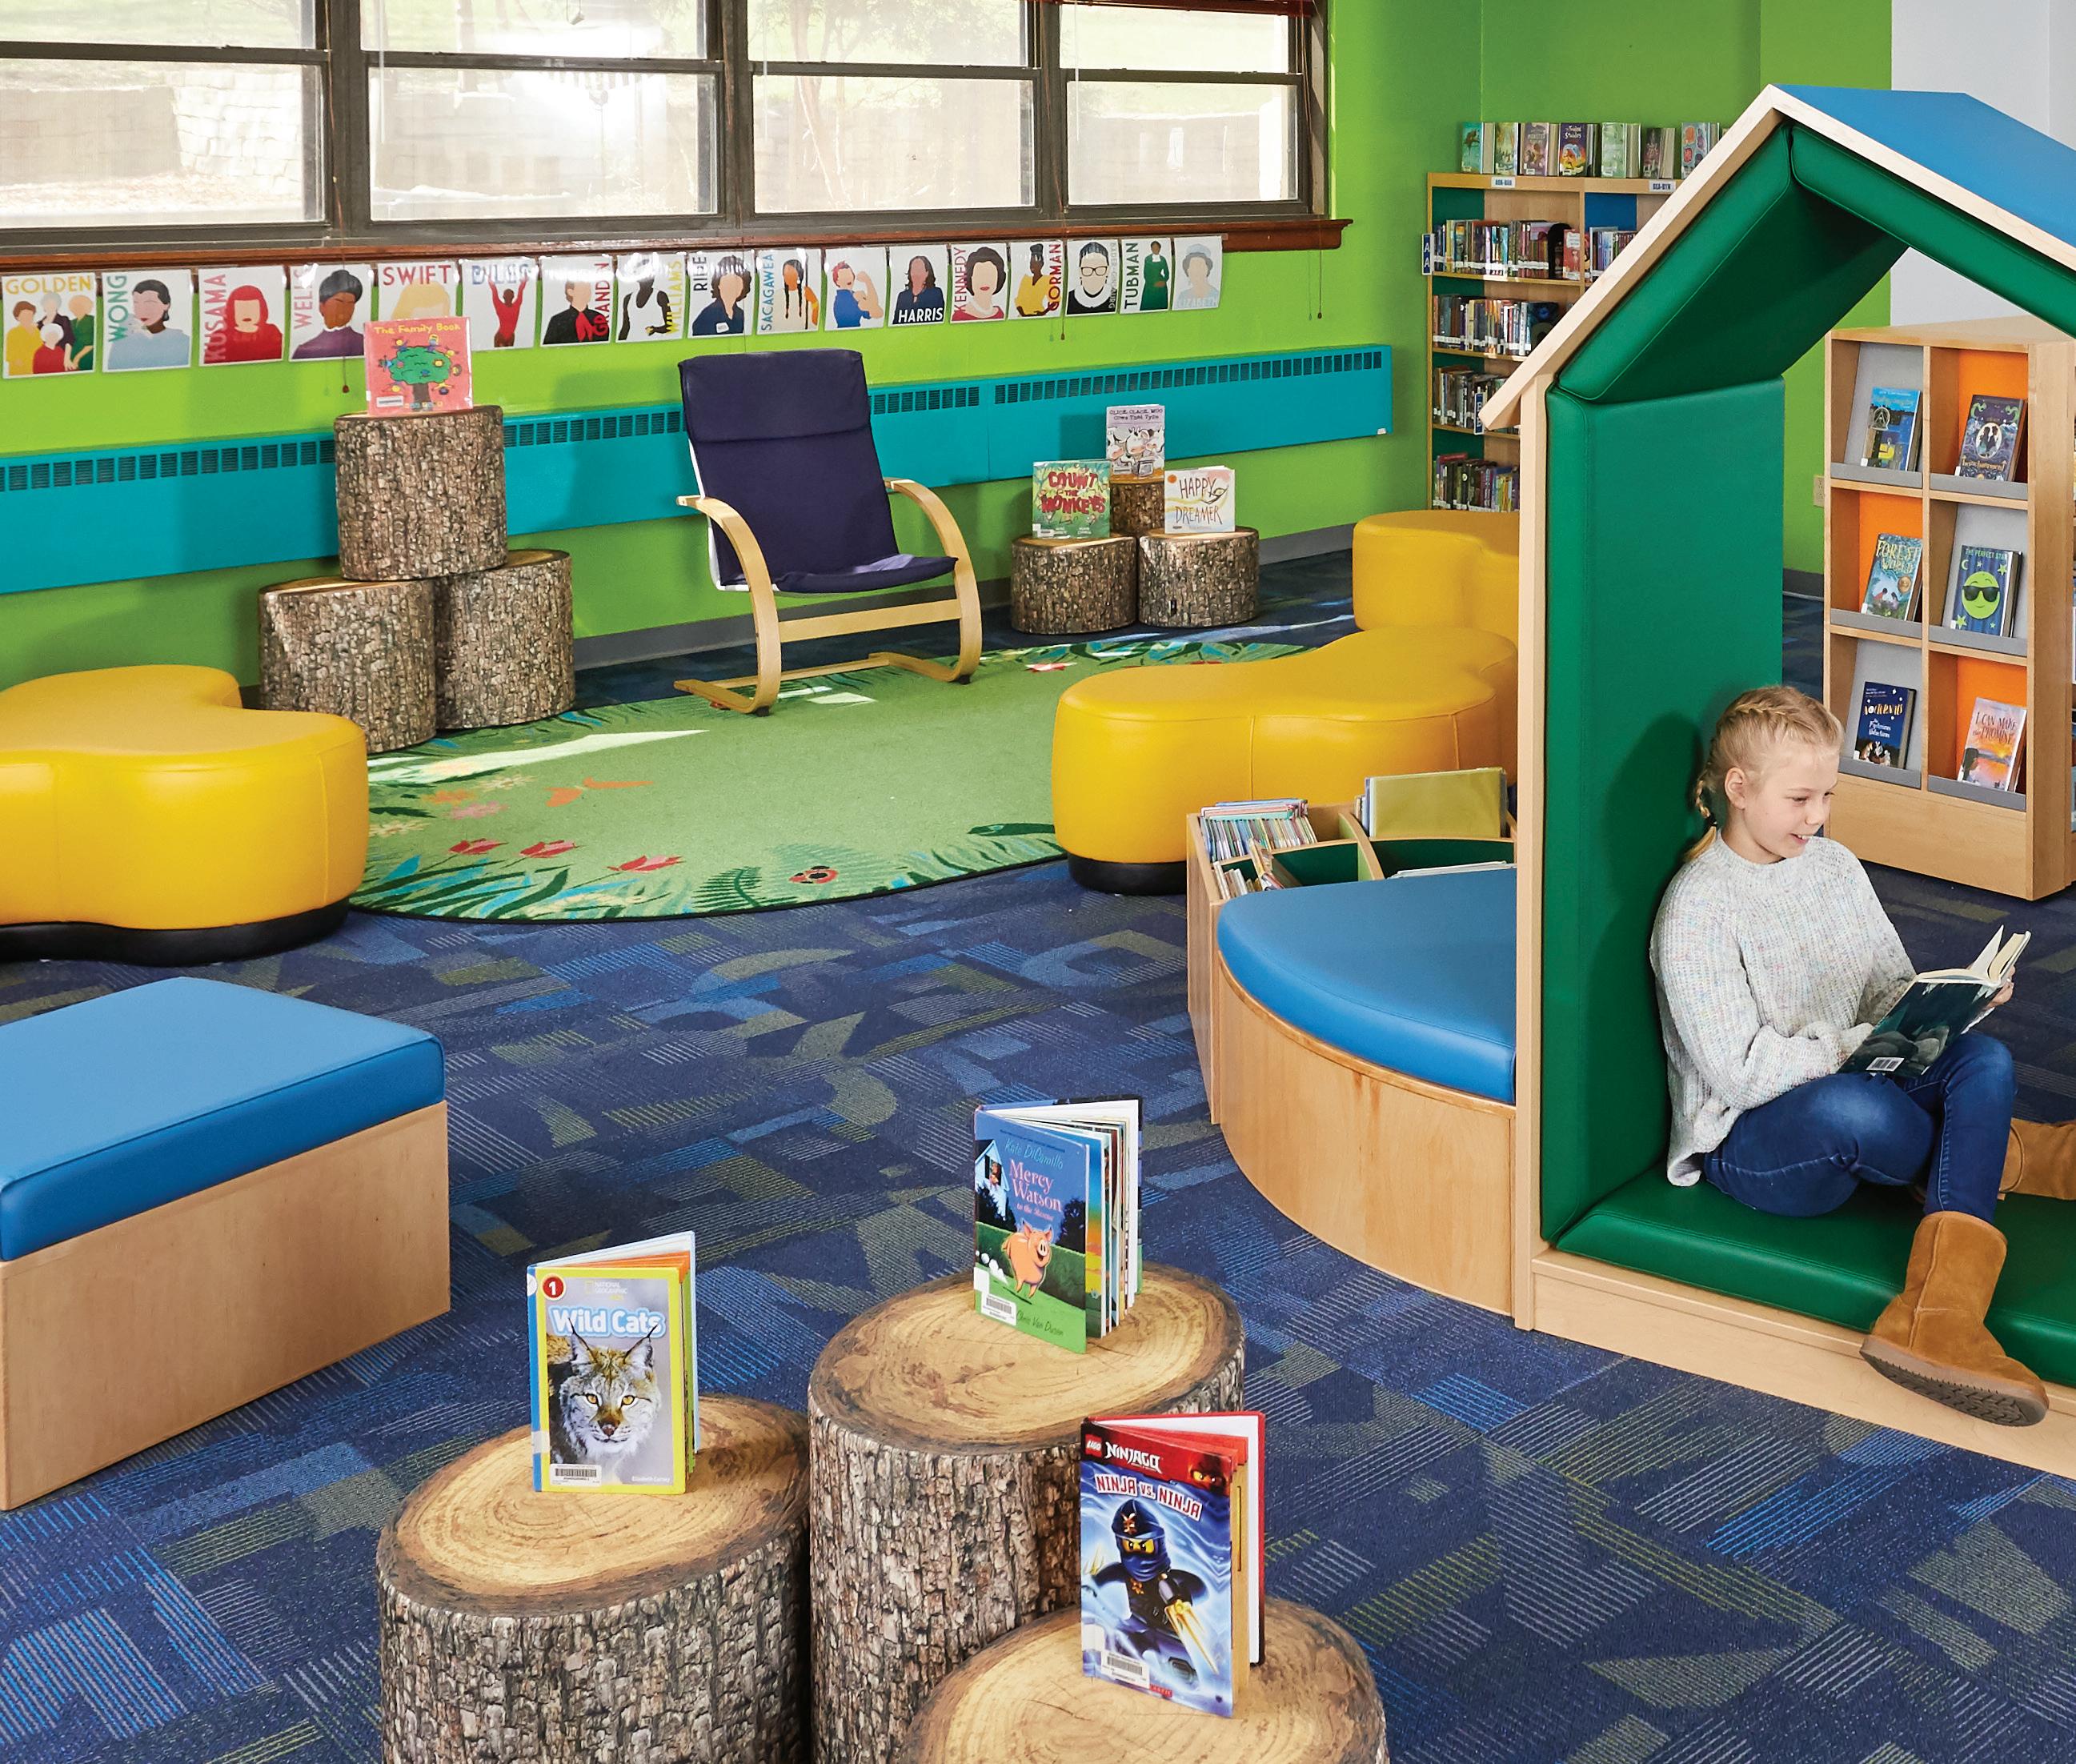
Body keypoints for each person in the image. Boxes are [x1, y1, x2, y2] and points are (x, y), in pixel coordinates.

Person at [1651, 685, 2076, 1429]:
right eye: (1799, 799)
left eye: (1828, 796)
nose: (1817, 816)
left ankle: (1938, 1317)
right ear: (1738, 790)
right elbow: (1740, 1073)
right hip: (1752, 1138)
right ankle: (2003, 1155)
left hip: (1864, 1072)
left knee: (1986, 1059)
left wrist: (1955, 1002)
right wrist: (1855, 1044)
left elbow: (1888, 985)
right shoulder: (1698, 907)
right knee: (1861, 1111)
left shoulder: (1834, 865)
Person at [110, 277, 191, 368]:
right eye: (136, 303)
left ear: (166, 305)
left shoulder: (182, 340)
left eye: (149, 303)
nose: (142, 310)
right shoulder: (124, 339)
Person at [291, 267, 365, 359]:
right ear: (322, 306)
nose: (345, 309)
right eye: (339, 303)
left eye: (350, 304)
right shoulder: (305, 350)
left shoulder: (364, 343)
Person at [209, 282, 283, 363]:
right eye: (241, 309)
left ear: (261, 310)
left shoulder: (271, 332)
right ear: (232, 311)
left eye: (252, 308)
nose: (247, 313)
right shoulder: (220, 336)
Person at [691, 256, 750, 335]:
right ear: (718, 285)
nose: (732, 289)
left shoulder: (740, 314)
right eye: (728, 283)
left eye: (737, 284)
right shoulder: (708, 315)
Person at [543, 279, 608, 345]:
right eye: (583, 290)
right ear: (570, 292)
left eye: (589, 289)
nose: (587, 293)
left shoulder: (598, 317)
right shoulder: (557, 320)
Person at [954, 247, 1006, 322]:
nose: (984, 281)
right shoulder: (959, 316)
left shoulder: (1001, 313)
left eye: (990, 275)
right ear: (970, 278)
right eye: (979, 275)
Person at [827, 259, 882, 329]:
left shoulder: (854, 296)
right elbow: (876, 312)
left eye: (850, 274)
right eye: (843, 275)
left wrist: (868, 282)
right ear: (837, 281)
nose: (848, 278)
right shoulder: (846, 299)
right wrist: (868, 282)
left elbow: (877, 312)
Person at [892, 254, 944, 325]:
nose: (916, 274)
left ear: (927, 273)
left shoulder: (935, 294)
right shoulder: (903, 296)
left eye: (919, 270)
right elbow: (896, 322)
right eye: (914, 269)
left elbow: (938, 319)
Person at [1067, 241, 1116, 316]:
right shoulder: (1069, 299)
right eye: (1087, 269)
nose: (1094, 275)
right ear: (1080, 271)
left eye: (1100, 269)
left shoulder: (1115, 297)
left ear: (1107, 271)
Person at [774, 255, 819, 330]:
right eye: (785, 274)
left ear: (799, 276)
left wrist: (814, 302)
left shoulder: (807, 292)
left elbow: (815, 321)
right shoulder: (778, 295)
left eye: (791, 273)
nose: (787, 276)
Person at [1014, 244, 1057, 318]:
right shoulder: (1026, 279)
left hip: (1040, 316)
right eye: (1031, 263)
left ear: (1042, 264)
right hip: (1022, 317)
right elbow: (1019, 300)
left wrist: (1043, 312)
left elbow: (1055, 301)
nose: (1032, 266)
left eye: (1035, 263)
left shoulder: (1047, 280)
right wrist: (1023, 314)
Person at [1172, 247, 1219, 311]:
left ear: (1207, 269)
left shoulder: (1216, 295)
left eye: (1200, 266)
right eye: (1193, 266)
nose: (1197, 270)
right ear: (1188, 271)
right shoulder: (1183, 296)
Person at [5, 299, 38, 377]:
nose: (28, 318)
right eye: (25, 315)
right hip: (20, 371)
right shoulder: (13, 333)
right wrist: (19, 361)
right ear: (17, 317)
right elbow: (10, 355)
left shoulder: (37, 331)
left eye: (30, 315)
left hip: (36, 368)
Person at [1140, 239, 1171, 312]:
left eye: (1157, 248)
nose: (1155, 250)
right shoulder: (1148, 259)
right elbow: (1146, 273)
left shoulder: (1163, 259)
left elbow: (1166, 272)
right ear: (1151, 249)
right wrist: (1151, 283)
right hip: (1150, 284)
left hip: (1160, 283)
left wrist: (1163, 281)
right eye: (1154, 248)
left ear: (1160, 249)